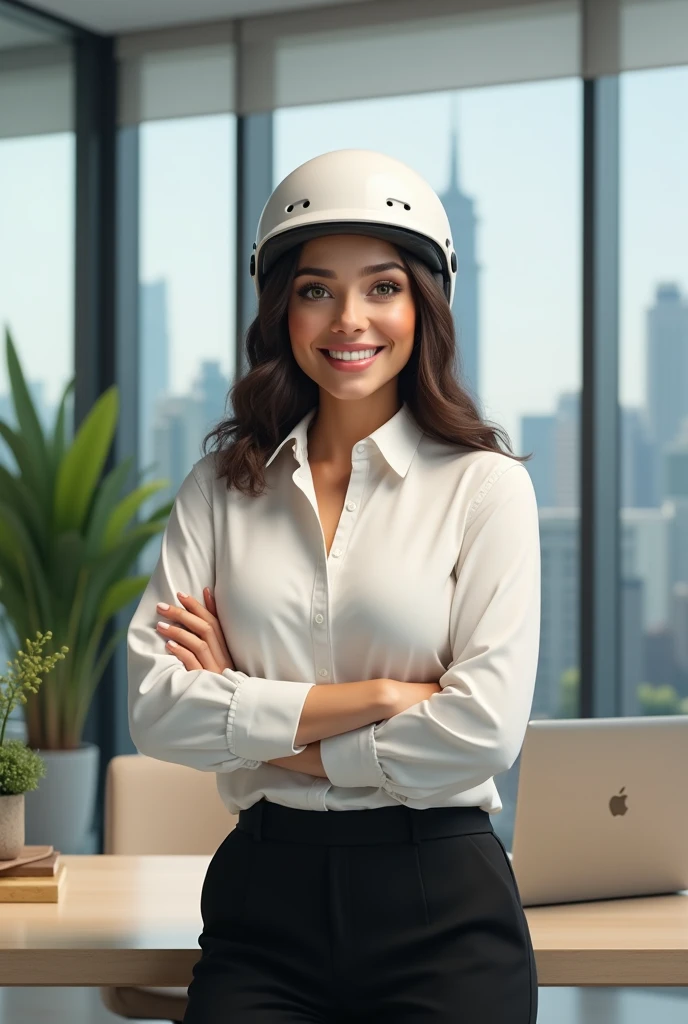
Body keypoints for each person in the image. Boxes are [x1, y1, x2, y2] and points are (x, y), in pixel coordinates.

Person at [127, 148, 541, 1023]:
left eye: (382, 287)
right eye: (316, 289)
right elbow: (159, 709)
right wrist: (386, 696)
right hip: (261, 902)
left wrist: (254, 719)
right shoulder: (220, 489)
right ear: (281, 309)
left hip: (443, 899)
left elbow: (481, 729)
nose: (349, 319)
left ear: (425, 303)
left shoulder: (485, 486)